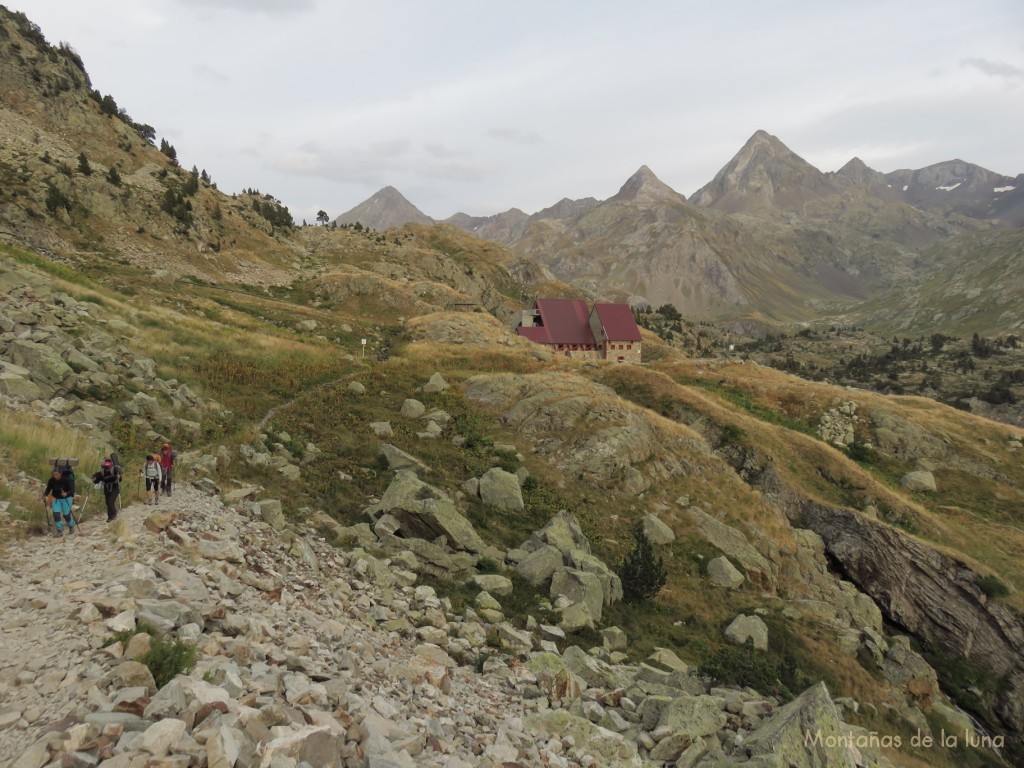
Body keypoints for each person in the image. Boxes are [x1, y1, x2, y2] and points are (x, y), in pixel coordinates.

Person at [43, 466, 78, 537]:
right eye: (54, 474)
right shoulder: (51, 480)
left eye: (57, 474)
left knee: (66, 515)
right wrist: (45, 495)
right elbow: (48, 489)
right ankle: (59, 530)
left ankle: (71, 525)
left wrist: (66, 493)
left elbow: (72, 491)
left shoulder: (66, 480)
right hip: (55, 499)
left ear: (60, 473)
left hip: (66, 499)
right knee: (56, 514)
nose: (55, 476)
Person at [92, 457, 121, 522]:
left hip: (115, 487)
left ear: (111, 466)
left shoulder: (115, 470)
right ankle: (110, 516)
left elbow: (120, 479)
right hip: (106, 487)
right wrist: (94, 478)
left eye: (108, 467)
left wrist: (119, 476)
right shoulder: (102, 472)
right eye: (106, 467)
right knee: (108, 502)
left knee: (111, 501)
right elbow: (97, 478)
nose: (107, 469)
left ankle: (113, 515)